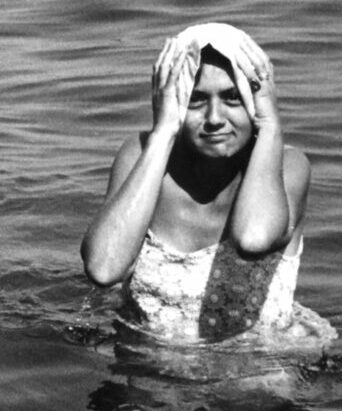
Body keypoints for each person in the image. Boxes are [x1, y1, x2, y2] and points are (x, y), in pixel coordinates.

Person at [80, 23, 319, 344]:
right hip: (149, 373)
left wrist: (271, 124)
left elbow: (253, 238)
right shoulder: (142, 155)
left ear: (257, 100)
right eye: (195, 100)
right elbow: (104, 267)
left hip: (258, 376)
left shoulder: (288, 165)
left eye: (234, 98)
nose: (214, 118)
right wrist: (163, 133)